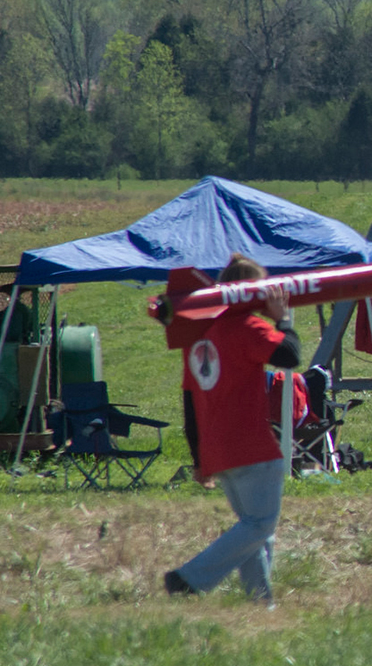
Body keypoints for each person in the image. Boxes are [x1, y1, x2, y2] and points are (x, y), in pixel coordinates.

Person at [164, 254, 299, 607]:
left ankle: (261, 604)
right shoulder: (247, 327)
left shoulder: (197, 337)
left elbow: (189, 404)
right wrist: (283, 319)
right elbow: (288, 355)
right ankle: (190, 577)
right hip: (252, 446)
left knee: (252, 531)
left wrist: (199, 458)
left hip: (219, 450)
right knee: (259, 527)